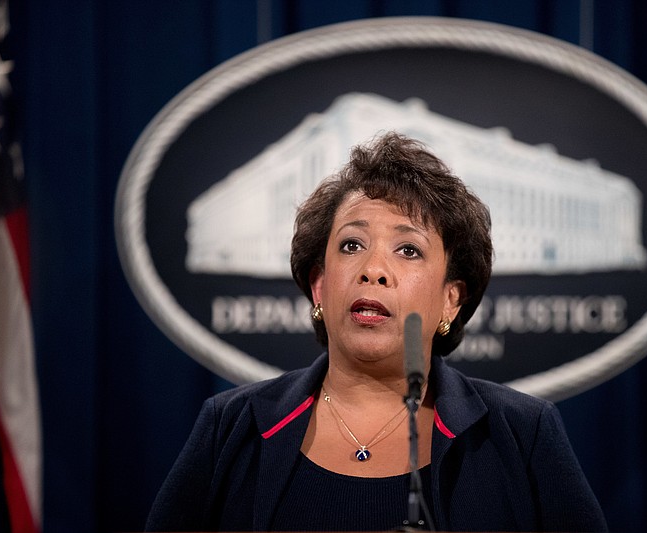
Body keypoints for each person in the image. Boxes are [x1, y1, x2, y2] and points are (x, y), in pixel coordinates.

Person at [145, 132, 607, 532]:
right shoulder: (230, 426)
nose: (374, 270)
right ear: (319, 285)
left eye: (408, 250)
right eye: (351, 245)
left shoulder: (524, 434)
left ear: (452, 298)